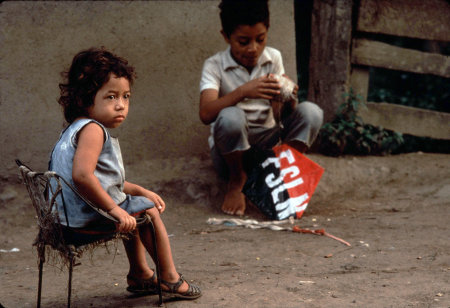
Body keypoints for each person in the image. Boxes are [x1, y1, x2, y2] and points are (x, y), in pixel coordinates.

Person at [49, 47, 201, 300]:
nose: (121, 105)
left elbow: (103, 182)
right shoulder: (93, 131)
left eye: (126, 96)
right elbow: (83, 177)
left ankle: (140, 273)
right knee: (147, 211)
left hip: (66, 217)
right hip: (82, 221)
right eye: (110, 97)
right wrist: (116, 210)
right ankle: (170, 279)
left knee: (136, 203)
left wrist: (139, 190)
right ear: (84, 98)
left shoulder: (73, 130)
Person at [199, 0, 323, 216]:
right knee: (230, 116)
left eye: (260, 39)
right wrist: (243, 91)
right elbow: (206, 113)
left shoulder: (273, 57)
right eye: (243, 42)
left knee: (311, 112)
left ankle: (282, 173)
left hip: (267, 144)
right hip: (230, 155)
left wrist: (287, 96)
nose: (253, 48)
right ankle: (238, 181)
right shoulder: (214, 65)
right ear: (226, 36)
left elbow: (283, 115)